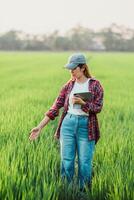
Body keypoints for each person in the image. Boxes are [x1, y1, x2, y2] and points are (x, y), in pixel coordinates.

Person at [29, 53, 104, 191]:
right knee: (67, 161)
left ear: (82, 68)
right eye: (70, 69)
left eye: (74, 68)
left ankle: (83, 191)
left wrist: (83, 104)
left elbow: (98, 107)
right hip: (68, 124)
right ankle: (67, 190)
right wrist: (39, 127)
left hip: (86, 125)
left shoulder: (95, 85)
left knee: (85, 162)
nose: (71, 71)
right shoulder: (68, 86)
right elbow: (55, 107)